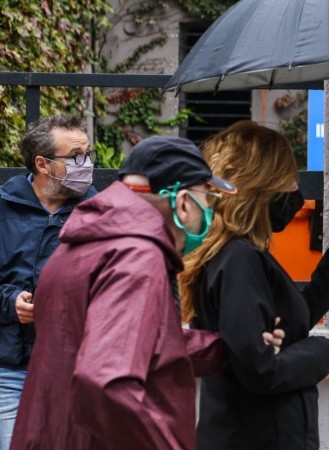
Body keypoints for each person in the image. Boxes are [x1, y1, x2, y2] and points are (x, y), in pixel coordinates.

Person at [10, 136, 254, 449]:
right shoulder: (137, 257)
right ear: (183, 203)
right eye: (208, 199)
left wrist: (231, 347)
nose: (209, 212)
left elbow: (137, 341)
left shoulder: (81, 245)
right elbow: (106, 380)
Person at [179, 120, 329, 449]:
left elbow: (295, 318)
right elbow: (259, 369)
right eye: (289, 179)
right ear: (262, 186)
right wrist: (323, 352)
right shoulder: (238, 259)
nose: (295, 191)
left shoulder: (241, 254)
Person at [0, 115, 97, 450]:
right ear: (42, 164)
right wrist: (10, 303)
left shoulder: (99, 212)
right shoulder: (3, 208)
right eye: (75, 157)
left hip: (77, 369)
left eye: (88, 154)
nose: (86, 165)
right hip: (10, 371)